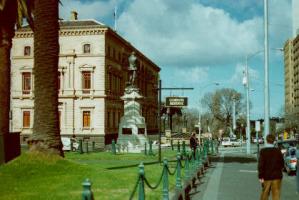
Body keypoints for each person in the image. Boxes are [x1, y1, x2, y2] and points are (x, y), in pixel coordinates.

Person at [258, 134, 284, 200]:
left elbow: (261, 165)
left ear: (266, 140)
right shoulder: (278, 151)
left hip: (266, 176)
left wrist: (260, 176)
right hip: (277, 176)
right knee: (276, 194)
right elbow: (282, 163)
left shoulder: (263, 151)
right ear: (274, 141)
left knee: (265, 193)